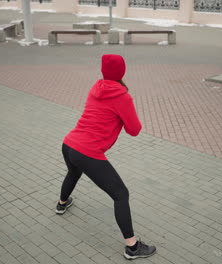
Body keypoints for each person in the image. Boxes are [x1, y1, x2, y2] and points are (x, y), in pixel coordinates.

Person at [56, 54, 156, 260]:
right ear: (123, 72)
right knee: (121, 194)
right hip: (87, 151)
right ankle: (132, 247)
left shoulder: (96, 88)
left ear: (103, 71)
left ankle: (61, 204)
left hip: (69, 144)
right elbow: (134, 129)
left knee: (73, 172)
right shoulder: (122, 96)